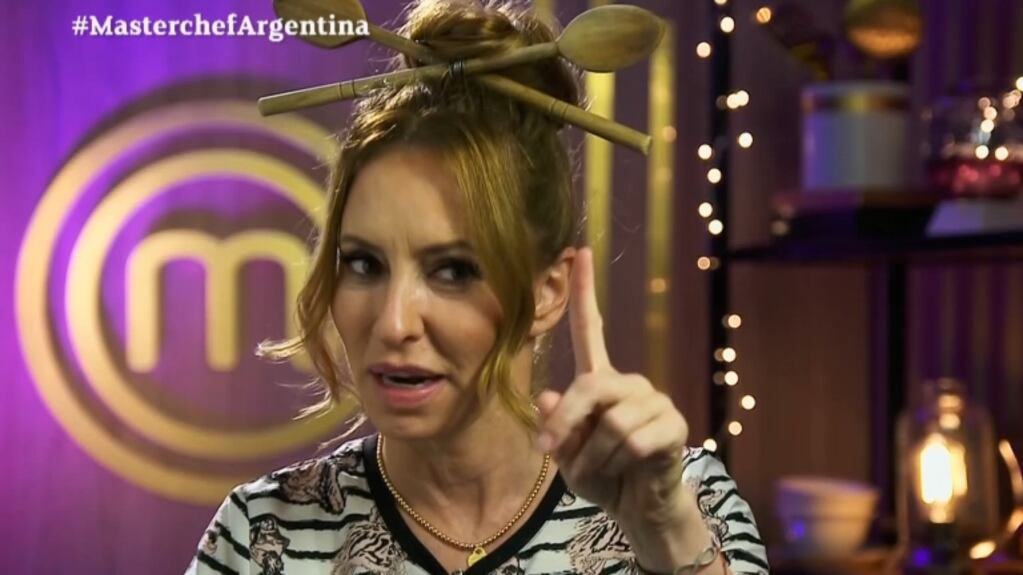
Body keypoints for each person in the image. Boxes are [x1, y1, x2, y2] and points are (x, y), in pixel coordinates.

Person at [186, 1, 768, 573]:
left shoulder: (691, 505)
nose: (394, 322)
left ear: (548, 291)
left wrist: (665, 534)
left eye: (453, 271)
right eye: (364, 264)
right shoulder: (259, 533)